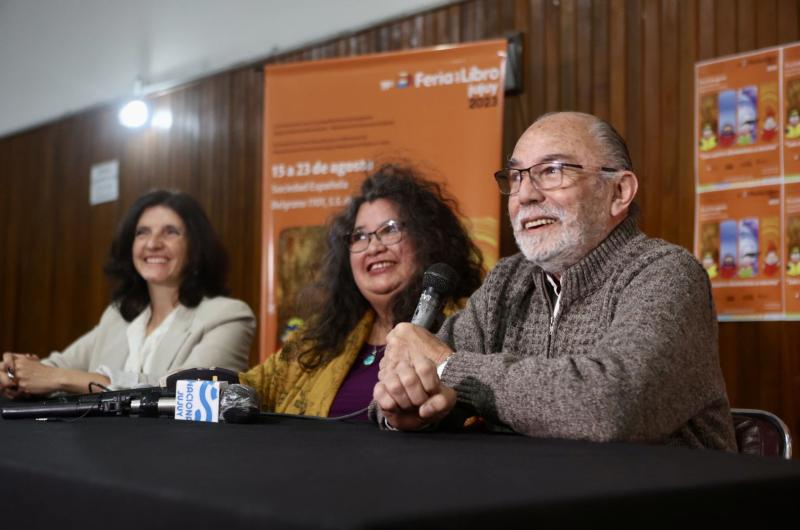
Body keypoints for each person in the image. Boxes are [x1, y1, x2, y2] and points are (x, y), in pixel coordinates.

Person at [374, 112, 737, 451]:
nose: (526, 195)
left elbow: (609, 405)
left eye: (552, 171)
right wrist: (411, 407)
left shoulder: (667, 273)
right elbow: (414, 380)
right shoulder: (507, 280)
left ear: (619, 192)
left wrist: (450, 368)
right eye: (516, 177)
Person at [239, 164, 483, 419]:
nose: (373, 247)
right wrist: (210, 381)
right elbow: (257, 385)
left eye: (389, 229)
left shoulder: (470, 322)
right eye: (359, 237)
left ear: (427, 239)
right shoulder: (323, 336)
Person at [0, 190, 255, 398]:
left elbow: (188, 393)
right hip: (102, 450)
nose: (153, 243)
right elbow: (58, 366)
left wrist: (59, 379)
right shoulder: (118, 316)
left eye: (171, 232)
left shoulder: (228, 316)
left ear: (196, 247)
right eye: (142, 232)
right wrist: (16, 373)